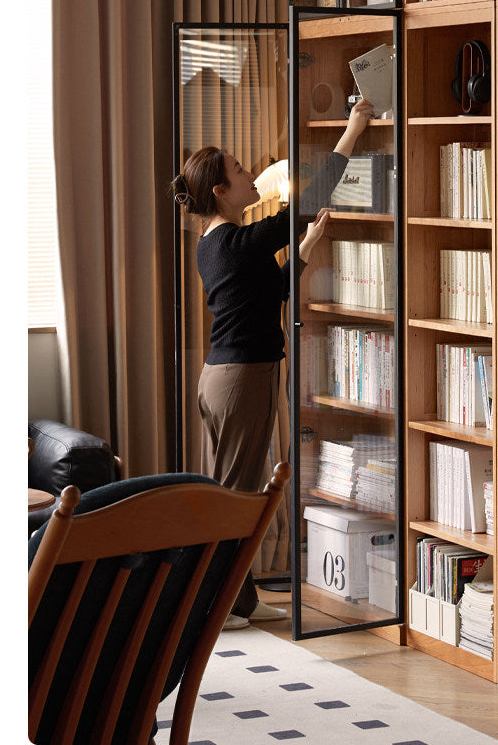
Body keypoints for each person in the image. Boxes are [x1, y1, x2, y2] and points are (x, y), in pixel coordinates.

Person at [171, 97, 373, 629]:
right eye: (238, 171)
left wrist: (302, 248)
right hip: (242, 379)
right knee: (237, 498)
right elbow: (302, 205)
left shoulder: (215, 245)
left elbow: (272, 291)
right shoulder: (236, 241)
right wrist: (351, 133)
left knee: (230, 492)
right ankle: (214, 605)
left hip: (224, 377)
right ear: (220, 191)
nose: (249, 173)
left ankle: (235, 598)